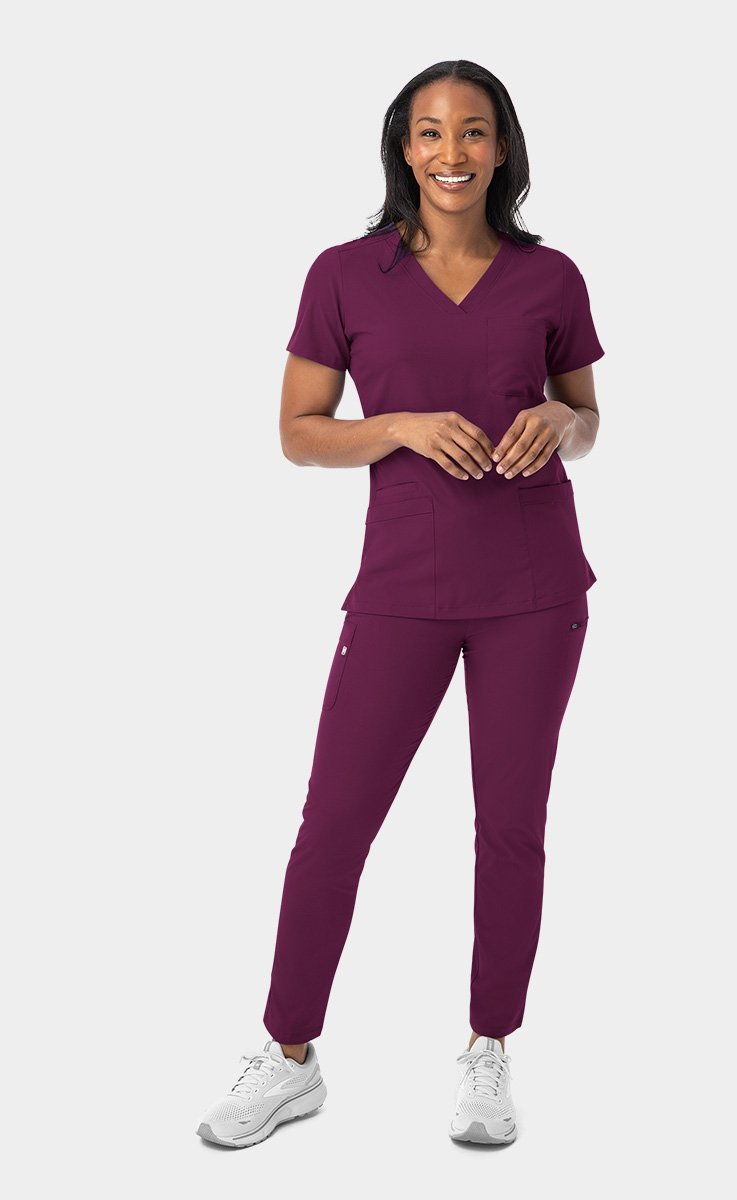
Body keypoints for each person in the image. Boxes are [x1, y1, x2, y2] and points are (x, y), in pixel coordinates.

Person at [196, 58, 604, 1150]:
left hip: (535, 587)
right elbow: (297, 433)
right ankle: (288, 1055)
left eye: (473, 131)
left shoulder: (552, 276)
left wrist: (561, 425)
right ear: (404, 148)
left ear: (502, 148)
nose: (451, 152)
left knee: (511, 827)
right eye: (430, 132)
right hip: (402, 586)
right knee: (334, 823)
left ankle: (489, 1049)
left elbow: (587, 416)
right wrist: (401, 427)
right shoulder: (345, 275)